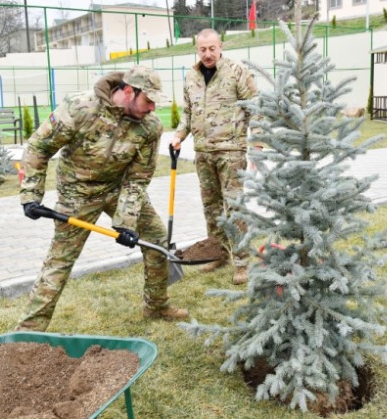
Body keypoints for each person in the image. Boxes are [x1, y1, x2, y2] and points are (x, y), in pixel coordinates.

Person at [15, 65, 188, 331]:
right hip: (77, 193)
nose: (153, 108)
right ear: (129, 91)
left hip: (119, 188)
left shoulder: (150, 127)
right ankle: (29, 331)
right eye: (148, 100)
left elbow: (138, 178)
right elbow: (40, 145)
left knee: (156, 238)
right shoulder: (81, 107)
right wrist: (31, 193)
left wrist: (125, 221)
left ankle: (156, 306)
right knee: (60, 260)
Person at [170, 28, 259, 285]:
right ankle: (218, 253)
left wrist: (259, 144)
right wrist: (178, 136)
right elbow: (187, 112)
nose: (207, 54)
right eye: (202, 49)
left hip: (231, 152)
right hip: (203, 152)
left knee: (234, 208)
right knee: (211, 208)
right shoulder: (191, 76)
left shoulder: (236, 72)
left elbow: (256, 107)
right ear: (197, 49)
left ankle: (242, 262)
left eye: (212, 48)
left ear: (220, 46)